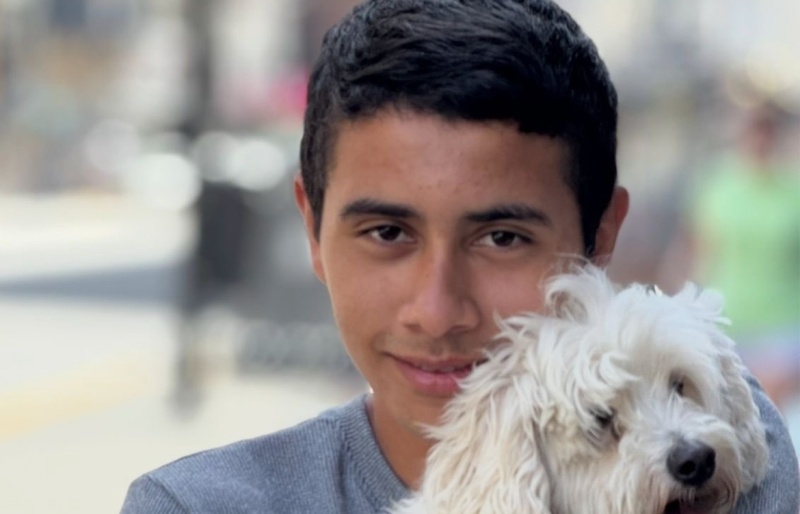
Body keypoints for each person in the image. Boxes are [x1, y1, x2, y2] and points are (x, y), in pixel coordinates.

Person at [120, 1, 800, 512]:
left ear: (599, 239)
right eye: (388, 233)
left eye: (502, 238)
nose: (438, 310)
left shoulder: (725, 449)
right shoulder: (197, 505)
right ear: (313, 230)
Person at [685, 103, 800, 412]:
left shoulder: (794, 192)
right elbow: (700, 250)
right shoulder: (718, 188)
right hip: (729, 320)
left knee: (771, 411)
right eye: (754, 132)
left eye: (766, 132)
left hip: (783, 325)